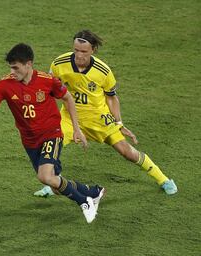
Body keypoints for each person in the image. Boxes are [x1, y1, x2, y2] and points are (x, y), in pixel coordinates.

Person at [0, 43, 106, 223]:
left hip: (52, 133)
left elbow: (67, 98)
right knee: (54, 183)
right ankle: (93, 191)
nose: (12, 71)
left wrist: (76, 128)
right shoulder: (5, 85)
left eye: (16, 67)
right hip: (30, 141)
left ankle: (85, 202)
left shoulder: (47, 80)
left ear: (29, 64)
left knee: (45, 176)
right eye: (11, 67)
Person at [34, 30, 178, 197]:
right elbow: (49, 87)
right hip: (69, 118)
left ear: (93, 50)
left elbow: (111, 98)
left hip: (99, 119)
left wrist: (119, 123)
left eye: (84, 51)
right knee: (50, 148)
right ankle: (54, 183)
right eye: (76, 50)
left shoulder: (103, 71)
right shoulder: (59, 64)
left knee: (127, 152)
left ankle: (164, 179)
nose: (79, 55)